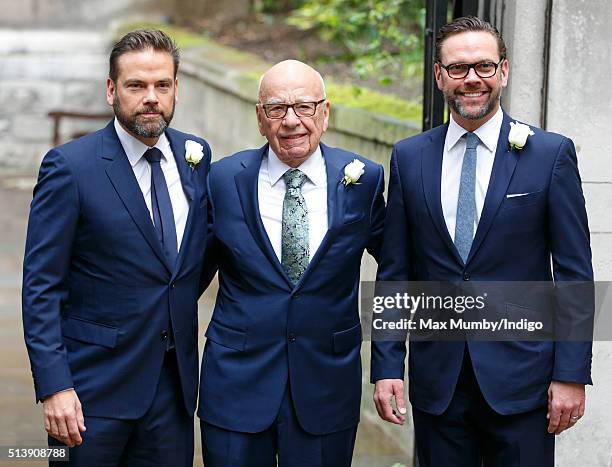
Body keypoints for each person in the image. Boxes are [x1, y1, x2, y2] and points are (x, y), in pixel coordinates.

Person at [371, 16, 593, 466]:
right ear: (439, 77)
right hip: (439, 385)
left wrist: (570, 374)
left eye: (484, 67)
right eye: (458, 68)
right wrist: (387, 367)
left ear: (504, 72)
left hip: (524, 383)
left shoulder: (549, 155)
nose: (472, 79)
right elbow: (395, 273)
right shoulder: (409, 158)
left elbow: (573, 273)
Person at [22, 29, 211, 466]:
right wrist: (55, 386)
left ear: (176, 88)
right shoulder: (70, 167)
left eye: (162, 85)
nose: (151, 97)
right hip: (90, 394)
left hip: (173, 390)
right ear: (111, 90)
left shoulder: (196, 156)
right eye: (136, 85)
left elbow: (187, 266)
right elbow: (41, 287)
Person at [197, 59, 385, 467]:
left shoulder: (364, 180)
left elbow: (398, 269)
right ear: (260, 118)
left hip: (326, 386)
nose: (291, 121)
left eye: (304, 106)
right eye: (277, 108)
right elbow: (186, 278)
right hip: (235, 386)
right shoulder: (221, 181)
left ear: (325, 112)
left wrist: (390, 366)